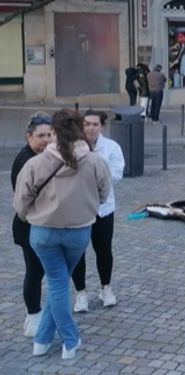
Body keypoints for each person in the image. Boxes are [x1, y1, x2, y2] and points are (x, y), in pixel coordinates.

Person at [13, 109, 110, 360]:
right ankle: (69, 339)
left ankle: (43, 341)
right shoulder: (95, 161)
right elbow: (104, 194)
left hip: (43, 232)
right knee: (59, 283)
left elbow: (20, 202)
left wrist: (32, 216)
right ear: (80, 130)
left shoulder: (36, 163)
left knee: (57, 284)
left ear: (54, 132)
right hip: (78, 232)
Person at [71, 110, 124, 313]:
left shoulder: (111, 148)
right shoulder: (74, 149)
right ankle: (81, 293)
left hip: (104, 209)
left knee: (104, 250)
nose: (90, 128)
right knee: (77, 252)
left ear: (102, 126)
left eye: (95, 124)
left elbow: (116, 174)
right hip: (79, 209)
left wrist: (91, 179)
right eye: (87, 124)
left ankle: (106, 288)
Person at [11, 113, 53, 337]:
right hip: (29, 225)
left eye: (49, 134)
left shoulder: (46, 156)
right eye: (40, 136)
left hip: (41, 223)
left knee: (38, 271)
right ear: (29, 136)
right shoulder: (26, 160)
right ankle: (33, 316)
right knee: (35, 272)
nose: (46, 139)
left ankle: (33, 316)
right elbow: (24, 200)